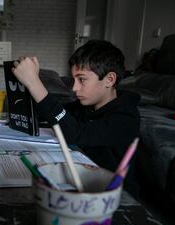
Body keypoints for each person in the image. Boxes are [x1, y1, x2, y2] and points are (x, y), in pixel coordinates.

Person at [12, 40, 140, 175]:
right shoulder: (85, 106)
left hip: (112, 190)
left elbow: (76, 134)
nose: (74, 88)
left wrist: (34, 83)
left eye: (82, 79)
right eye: (74, 80)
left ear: (109, 79)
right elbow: (55, 116)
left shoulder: (126, 118)